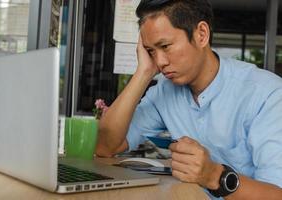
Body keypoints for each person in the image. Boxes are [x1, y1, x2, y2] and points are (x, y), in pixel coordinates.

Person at [96, 0, 282, 199]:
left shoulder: (267, 94)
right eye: (151, 51)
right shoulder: (164, 91)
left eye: (165, 46)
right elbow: (106, 146)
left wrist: (213, 176)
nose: (160, 62)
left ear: (201, 34)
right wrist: (143, 72)